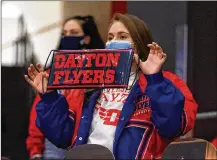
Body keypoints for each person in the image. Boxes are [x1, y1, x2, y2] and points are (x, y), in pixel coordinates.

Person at [25, 13, 198, 159]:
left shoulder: (167, 81)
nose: (113, 42)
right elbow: (61, 136)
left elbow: (174, 126)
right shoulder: (89, 83)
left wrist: (154, 80)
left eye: (122, 37)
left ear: (139, 43)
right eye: (110, 38)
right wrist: (49, 96)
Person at [25, 15, 104, 160]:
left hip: (84, 149)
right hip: (51, 151)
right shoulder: (50, 74)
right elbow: (38, 116)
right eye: (64, 33)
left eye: (73, 33)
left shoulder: (99, 74)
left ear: (86, 38)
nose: (67, 37)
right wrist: (35, 150)